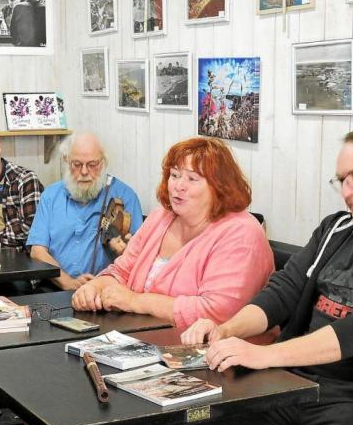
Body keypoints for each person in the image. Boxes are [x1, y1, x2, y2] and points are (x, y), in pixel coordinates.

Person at [158, 123, 353, 425]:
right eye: (342, 180)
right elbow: (283, 292)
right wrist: (226, 330)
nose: (347, 191)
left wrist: (262, 355)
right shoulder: (335, 229)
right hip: (294, 383)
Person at [72, 137, 274, 332]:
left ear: (219, 187)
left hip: (217, 355)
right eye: (175, 175)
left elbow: (217, 312)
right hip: (143, 340)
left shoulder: (242, 233)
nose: (178, 186)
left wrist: (135, 301)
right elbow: (123, 271)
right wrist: (95, 287)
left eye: (192, 179)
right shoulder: (161, 216)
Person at [27, 132, 143, 291]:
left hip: (105, 291)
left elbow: (139, 255)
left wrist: (123, 251)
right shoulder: (51, 196)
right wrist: (68, 282)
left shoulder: (125, 196)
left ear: (104, 162)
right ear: (66, 161)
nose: (84, 171)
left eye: (92, 164)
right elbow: (37, 251)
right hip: (55, 287)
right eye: (76, 164)